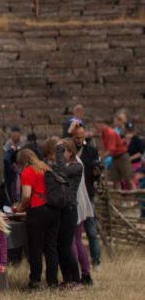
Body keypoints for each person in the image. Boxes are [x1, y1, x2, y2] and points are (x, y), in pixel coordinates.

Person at [12, 149, 59, 289]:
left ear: (22, 162)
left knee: (36, 249)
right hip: (53, 210)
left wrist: (19, 209)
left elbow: (26, 195)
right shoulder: (46, 167)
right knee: (51, 248)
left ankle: (35, 281)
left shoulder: (27, 172)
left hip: (37, 211)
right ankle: (52, 281)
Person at [43, 137, 84, 290]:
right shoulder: (60, 165)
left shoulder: (77, 166)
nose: (61, 154)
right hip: (61, 209)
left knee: (66, 248)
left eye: (64, 151)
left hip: (70, 210)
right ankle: (67, 279)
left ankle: (77, 280)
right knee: (59, 247)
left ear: (71, 151)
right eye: (61, 151)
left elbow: (63, 172)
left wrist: (58, 151)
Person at [72, 124, 102, 270]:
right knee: (74, 232)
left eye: (82, 137)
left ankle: (96, 260)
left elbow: (95, 176)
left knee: (91, 229)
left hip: (87, 193)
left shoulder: (91, 150)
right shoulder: (69, 151)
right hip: (72, 196)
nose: (79, 140)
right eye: (77, 137)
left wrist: (97, 172)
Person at [95, 119, 133, 190]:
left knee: (129, 179)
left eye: (96, 127)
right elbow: (104, 148)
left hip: (122, 156)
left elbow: (111, 150)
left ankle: (136, 199)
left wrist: (100, 157)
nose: (96, 129)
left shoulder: (110, 133)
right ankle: (117, 200)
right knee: (116, 180)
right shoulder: (103, 134)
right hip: (114, 158)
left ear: (101, 124)